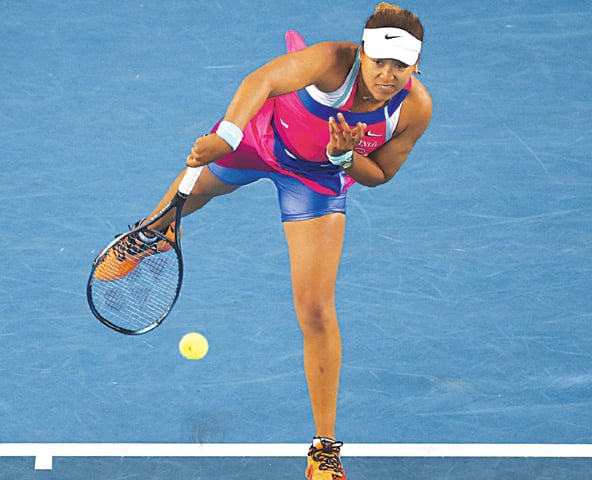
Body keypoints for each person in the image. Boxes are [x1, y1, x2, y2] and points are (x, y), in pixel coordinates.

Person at [98, 3, 431, 478]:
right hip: (259, 140)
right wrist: (229, 136)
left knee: (315, 310)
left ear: (417, 66)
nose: (388, 73)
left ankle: (324, 448)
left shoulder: (415, 109)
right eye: (380, 60)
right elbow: (264, 80)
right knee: (173, 210)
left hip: (315, 180)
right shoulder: (332, 62)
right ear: (363, 53)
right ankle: (150, 237)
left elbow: (378, 174)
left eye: (401, 65)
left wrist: (341, 156)